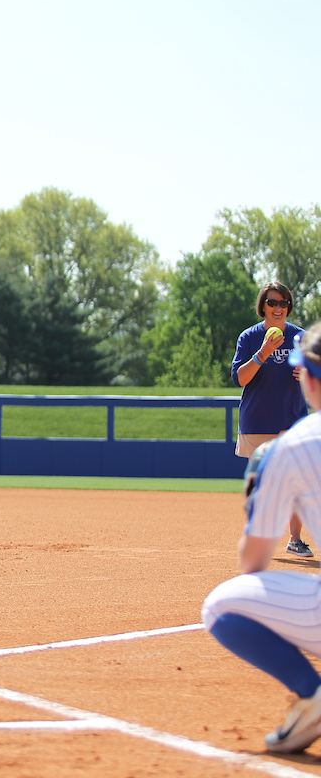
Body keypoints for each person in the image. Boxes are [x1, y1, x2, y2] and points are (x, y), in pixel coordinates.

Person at [203, 321, 321, 753]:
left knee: (221, 604)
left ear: (306, 377)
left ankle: (313, 695)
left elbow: (252, 564)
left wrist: (257, 497)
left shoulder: (290, 447)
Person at [232, 281, 312, 557]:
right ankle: (258, 540)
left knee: (299, 484)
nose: (279, 308)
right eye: (272, 303)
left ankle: (295, 539)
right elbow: (240, 378)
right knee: (263, 485)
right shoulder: (250, 337)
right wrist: (263, 353)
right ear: (263, 307)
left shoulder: (302, 338)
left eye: (284, 303)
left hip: (293, 421)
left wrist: (311, 375)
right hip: (258, 421)